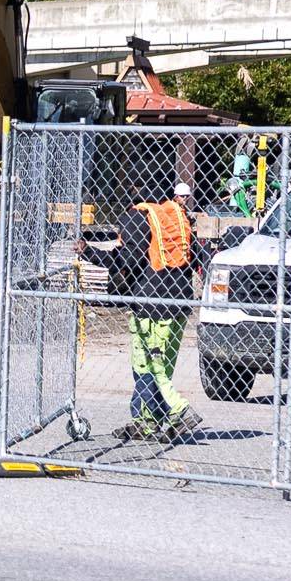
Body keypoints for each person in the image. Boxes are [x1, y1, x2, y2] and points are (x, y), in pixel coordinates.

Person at [82, 179, 202, 440]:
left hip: (150, 305)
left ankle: (176, 410)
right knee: (162, 365)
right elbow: (196, 257)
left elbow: (126, 260)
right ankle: (148, 420)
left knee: (146, 364)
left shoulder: (138, 217)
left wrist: (88, 252)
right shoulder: (175, 216)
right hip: (179, 303)